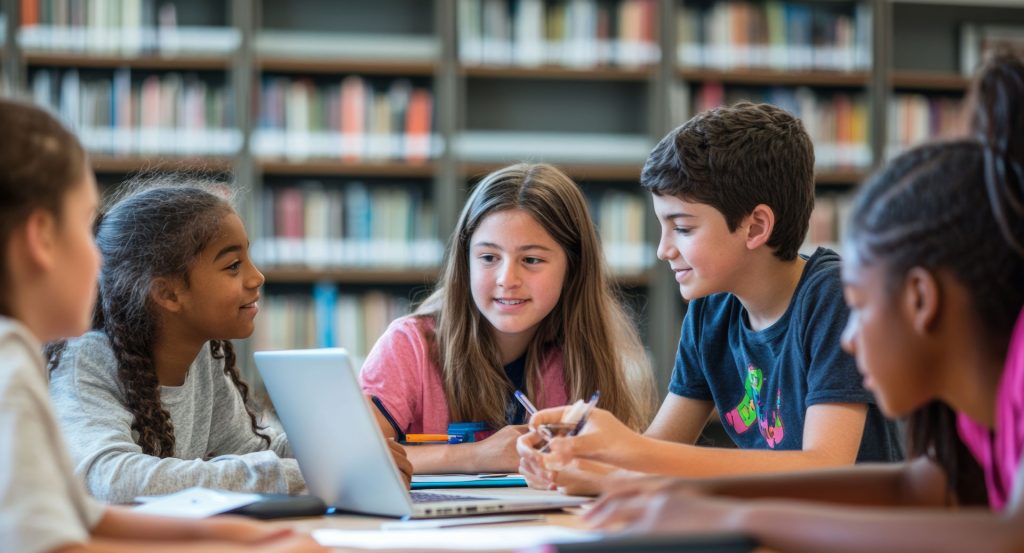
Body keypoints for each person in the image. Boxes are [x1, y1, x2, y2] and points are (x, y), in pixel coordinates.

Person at [582, 52, 1024, 553]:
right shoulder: (962, 404)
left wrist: (728, 510)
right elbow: (916, 487)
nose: (851, 339)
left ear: (921, 298)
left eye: (860, 306)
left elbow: (1011, 535)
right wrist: (679, 492)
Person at [519, 102, 903, 494]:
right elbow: (661, 449)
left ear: (755, 227)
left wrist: (629, 449)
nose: (663, 250)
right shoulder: (711, 308)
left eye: (682, 228)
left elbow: (824, 468)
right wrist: (575, 467)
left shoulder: (831, 298)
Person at [0, 97, 324, 553]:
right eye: (82, 224)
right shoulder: (18, 366)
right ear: (41, 240)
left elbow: (84, 517)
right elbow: (72, 528)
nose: (99, 259)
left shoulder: (12, 354)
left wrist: (236, 535)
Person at [46, 181, 412, 504]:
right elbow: (113, 481)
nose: (257, 277)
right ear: (168, 293)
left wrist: (349, 452)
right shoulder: (86, 362)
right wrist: (314, 474)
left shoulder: (203, 357)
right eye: (234, 265)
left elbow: (255, 450)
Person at [360, 162, 655, 473]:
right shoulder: (410, 345)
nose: (507, 278)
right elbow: (355, 457)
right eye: (488, 258)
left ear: (573, 268)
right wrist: (475, 455)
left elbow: (618, 466)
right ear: (466, 263)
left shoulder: (584, 352)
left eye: (531, 260)